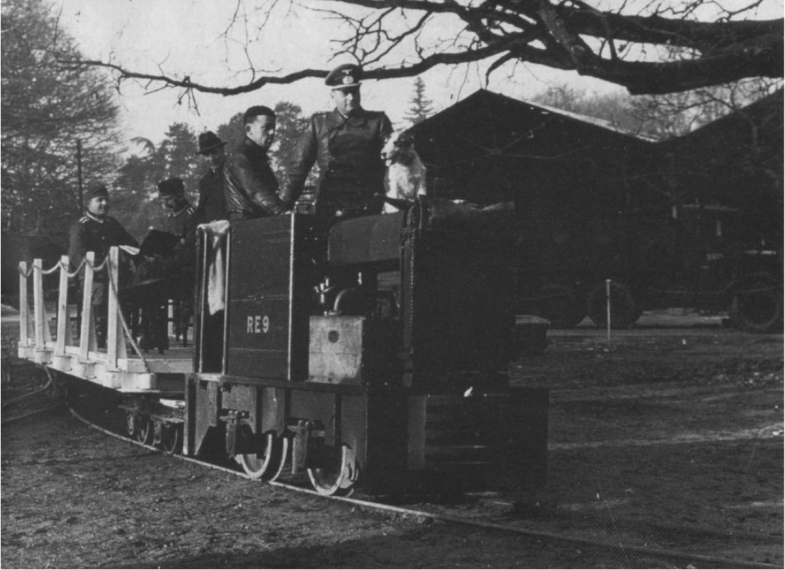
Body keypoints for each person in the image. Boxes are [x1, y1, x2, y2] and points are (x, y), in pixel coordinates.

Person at [281, 63, 393, 221]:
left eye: (355, 91)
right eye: (345, 93)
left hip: (368, 209)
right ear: (332, 95)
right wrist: (281, 209)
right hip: (330, 208)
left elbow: (393, 164)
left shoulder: (378, 122)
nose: (351, 98)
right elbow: (298, 169)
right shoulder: (319, 124)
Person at [68, 184, 139, 348]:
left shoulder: (112, 223)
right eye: (99, 200)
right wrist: (101, 273)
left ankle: (124, 336)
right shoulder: (81, 226)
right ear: (89, 203)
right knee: (101, 290)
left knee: (134, 289)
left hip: (115, 275)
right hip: (90, 276)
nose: (104, 204)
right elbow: (77, 255)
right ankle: (99, 339)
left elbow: (131, 243)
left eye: (106, 200)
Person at [133, 177, 199, 352]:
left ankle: (147, 329)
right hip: (171, 268)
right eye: (163, 199)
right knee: (146, 272)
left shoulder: (191, 216)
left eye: (168, 199)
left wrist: (164, 262)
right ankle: (154, 334)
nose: (165, 203)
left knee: (147, 275)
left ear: (180, 195)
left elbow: (190, 253)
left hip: (185, 272)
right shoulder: (172, 216)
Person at [223, 106, 288, 220]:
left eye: (273, 127)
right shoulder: (240, 157)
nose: (272, 132)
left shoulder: (256, 157)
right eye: (266, 127)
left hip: (256, 223)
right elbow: (256, 192)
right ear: (249, 130)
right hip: (246, 224)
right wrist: (284, 212)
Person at [195, 131, 228, 223]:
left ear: (222, 150)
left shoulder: (236, 172)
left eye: (214, 153)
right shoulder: (204, 182)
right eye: (206, 155)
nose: (211, 158)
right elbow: (202, 210)